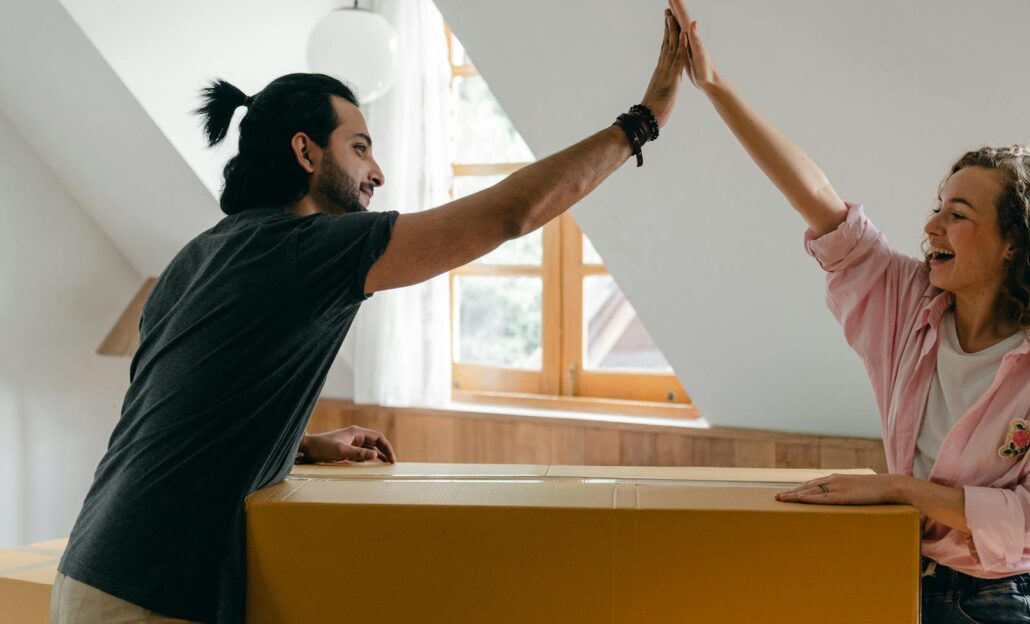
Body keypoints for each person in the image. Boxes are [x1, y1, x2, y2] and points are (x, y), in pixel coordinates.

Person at [52, 9, 689, 623]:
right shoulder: (309, 250)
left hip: (91, 569)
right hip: (147, 596)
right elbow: (507, 215)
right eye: (360, 148)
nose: (377, 172)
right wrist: (643, 121)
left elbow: (173, 410)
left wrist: (299, 445)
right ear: (305, 152)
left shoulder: (202, 252)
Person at [666, 1, 1030, 621]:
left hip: (1014, 604)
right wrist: (715, 86)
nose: (931, 225)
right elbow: (820, 202)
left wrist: (897, 489)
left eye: (959, 215)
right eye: (939, 206)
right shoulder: (906, 305)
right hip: (907, 585)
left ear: (1014, 245)